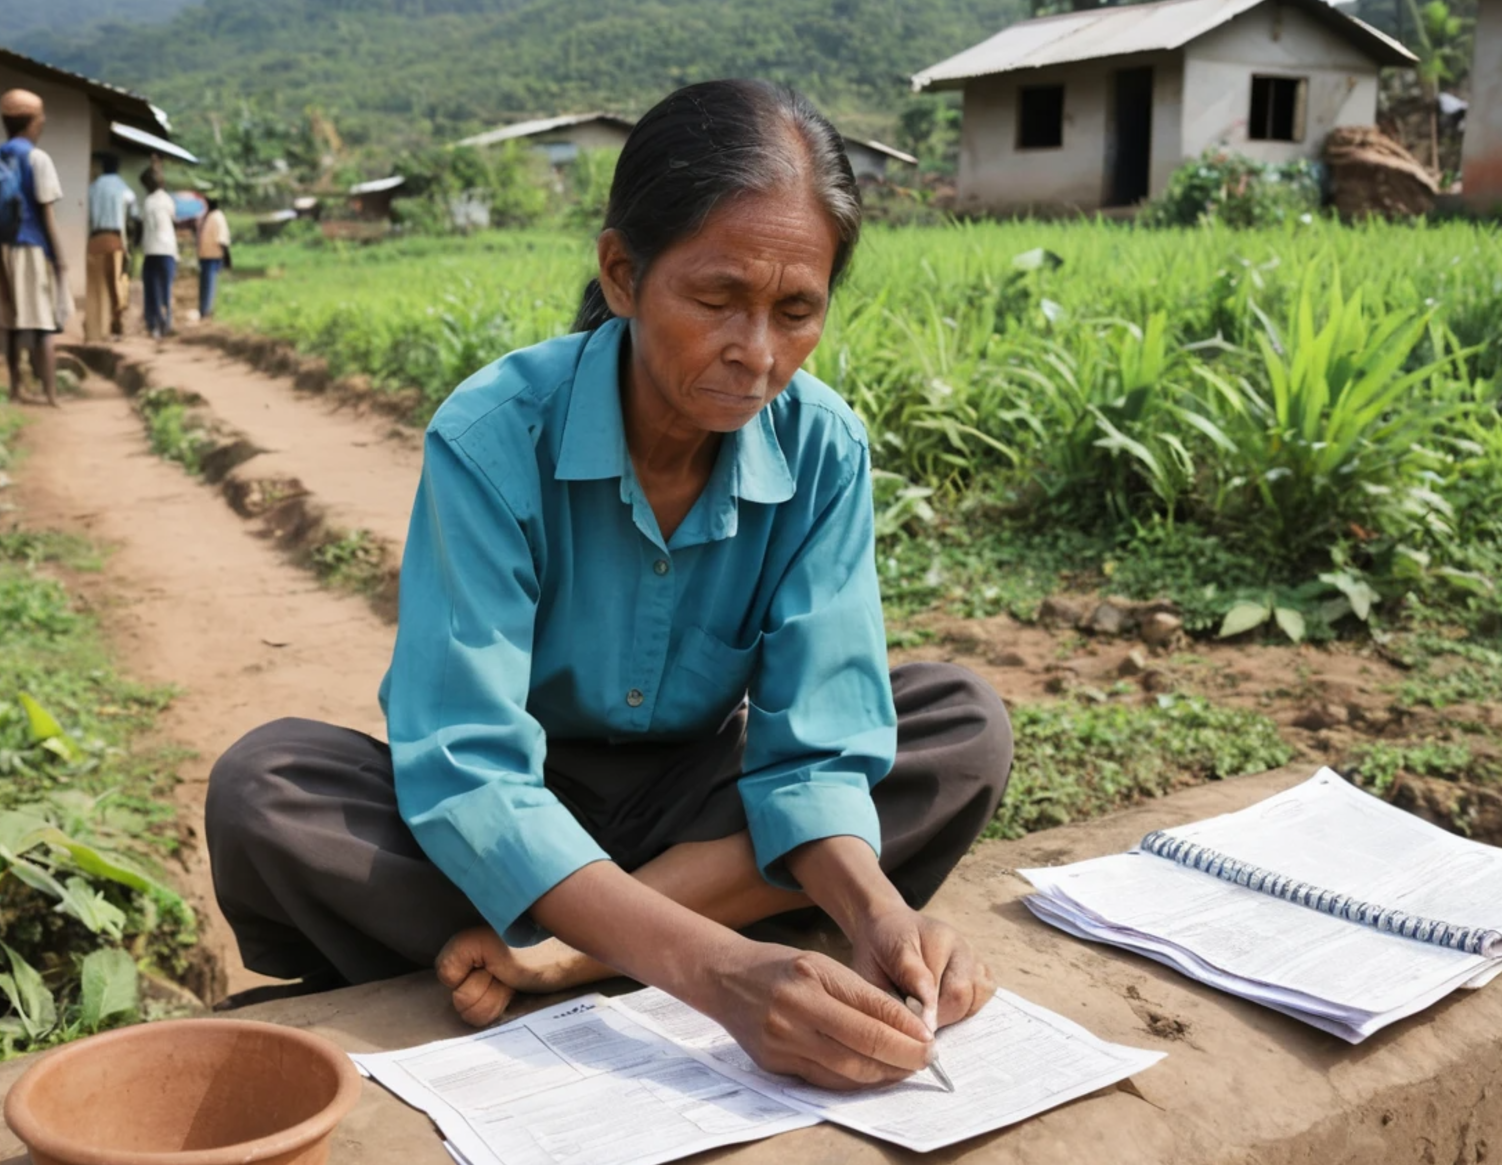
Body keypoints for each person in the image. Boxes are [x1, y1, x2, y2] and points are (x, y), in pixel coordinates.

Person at [206, 80, 1014, 1091]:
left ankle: (560, 945)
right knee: (268, 786)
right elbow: (470, 766)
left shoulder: (823, 449)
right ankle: (666, 930)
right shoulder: (495, 433)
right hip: (528, 785)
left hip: (699, 797)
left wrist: (875, 913)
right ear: (622, 273)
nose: (756, 354)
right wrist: (719, 975)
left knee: (956, 725)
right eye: (717, 300)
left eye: (795, 310)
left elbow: (813, 750)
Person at [0, 89, 68, 406]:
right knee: (42, 324)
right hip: (30, 246)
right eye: (40, 119)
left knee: (11, 322)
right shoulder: (38, 159)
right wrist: (60, 259)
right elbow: (47, 214)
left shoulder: (2, 156)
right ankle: (51, 394)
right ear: (31, 123)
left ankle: (16, 389)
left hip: (3, 247)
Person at [85, 152, 136, 342]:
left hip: (95, 239)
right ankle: (115, 325)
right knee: (115, 284)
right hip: (115, 239)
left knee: (94, 287)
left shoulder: (93, 187)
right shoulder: (123, 188)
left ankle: (93, 331)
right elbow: (134, 214)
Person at [139, 165, 178, 340]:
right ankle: (165, 322)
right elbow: (172, 219)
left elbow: (144, 224)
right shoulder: (168, 200)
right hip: (168, 250)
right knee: (165, 288)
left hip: (152, 250)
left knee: (152, 288)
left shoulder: (148, 202)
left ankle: (154, 323)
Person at [196, 197, 231, 320]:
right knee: (205, 285)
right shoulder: (206, 216)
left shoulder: (217, 216)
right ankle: (203, 309)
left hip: (213, 256)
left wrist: (227, 258)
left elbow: (222, 240)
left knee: (210, 284)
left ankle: (207, 310)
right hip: (205, 256)